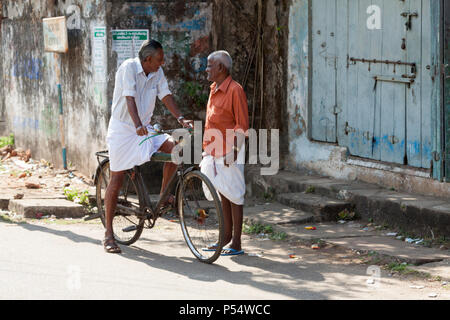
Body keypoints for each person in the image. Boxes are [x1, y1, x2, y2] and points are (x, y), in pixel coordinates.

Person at [103, 39, 193, 253]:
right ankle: (108, 234)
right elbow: (129, 98)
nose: (162, 64)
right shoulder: (129, 68)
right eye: (159, 60)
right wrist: (137, 125)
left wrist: (181, 118)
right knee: (116, 178)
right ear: (147, 59)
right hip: (124, 130)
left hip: (145, 128)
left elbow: (165, 95)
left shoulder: (156, 72)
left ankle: (163, 196)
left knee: (176, 150)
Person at [200, 50, 249, 256]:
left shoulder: (235, 90)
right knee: (223, 194)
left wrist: (234, 151)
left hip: (230, 150)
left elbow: (242, 124)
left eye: (210, 65)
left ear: (221, 68)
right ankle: (225, 237)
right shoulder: (214, 88)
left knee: (235, 195)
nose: (207, 69)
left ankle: (236, 242)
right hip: (213, 150)